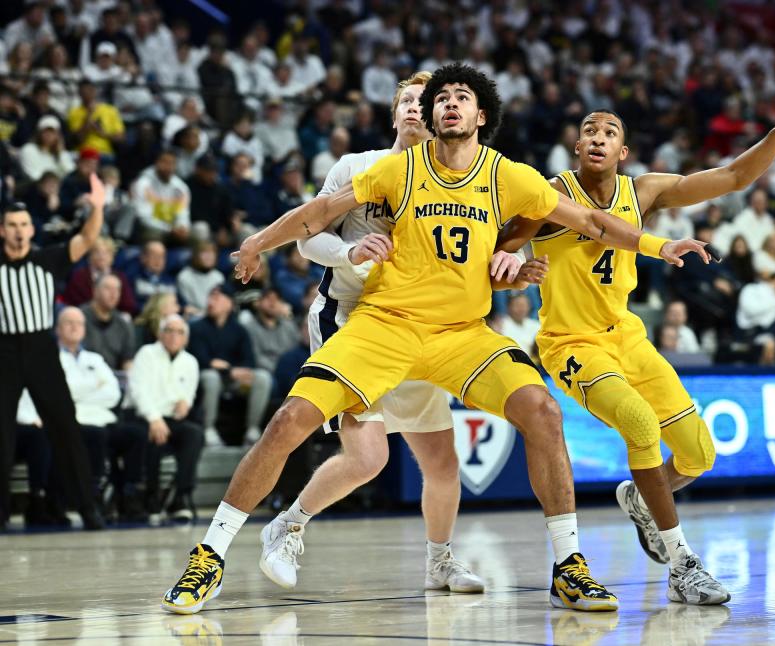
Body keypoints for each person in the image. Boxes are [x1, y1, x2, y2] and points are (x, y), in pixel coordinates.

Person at [162, 63, 708, 614]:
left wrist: (658, 246)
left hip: (462, 334)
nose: (449, 104)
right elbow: (321, 213)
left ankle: (569, 567)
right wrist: (258, 241)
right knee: (290, 420)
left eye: (461, 97)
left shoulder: (508, 175)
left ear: (481, 115)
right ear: (427, 114)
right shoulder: (397, 169)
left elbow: (592, 222)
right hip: (386, 323)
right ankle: (209, 555)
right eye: (441, 97)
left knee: (541, 411)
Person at [497, 69, 775, 605]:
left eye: (609, 130)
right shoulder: (550, 195)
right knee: (636, 422)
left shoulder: (642, 191)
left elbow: (732, 177)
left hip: (627, 336)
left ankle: (641, 499)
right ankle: (682, 564)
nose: (598, 136)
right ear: (577, 145)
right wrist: (509, 264)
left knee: (699, 454)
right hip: (570, 343)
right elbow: (500, 245)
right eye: (589, 129)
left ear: (623, 150)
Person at [261, 72, 504, 595]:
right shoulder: (357, 167)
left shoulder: (452, 178)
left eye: (426, 101)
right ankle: (287, 526)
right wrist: (348, 252)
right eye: (408, 102)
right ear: (394, 115)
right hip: (350, 313)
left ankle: (440, 561)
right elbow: (307, 239)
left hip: (417, 324)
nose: (417, 108)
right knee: (369, 458)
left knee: (442, 461)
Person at [0, 175, 107, 532]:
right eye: (12, 225)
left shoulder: (47, 259)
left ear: (32, 229)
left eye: (24, 225)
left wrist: (98, 207)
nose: (18, 231)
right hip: (4, 351)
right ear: (3, 230)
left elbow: (88, 239)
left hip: (41, 349)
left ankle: (89, 508)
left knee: (65, 427)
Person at [51, 307, 148, 521]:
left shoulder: (95, 358)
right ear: (58, 329)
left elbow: (113, 394)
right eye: (69, 322)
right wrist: (94, 385)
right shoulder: (51, 359)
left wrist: (81, 390)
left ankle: (129, 493)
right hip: (76, 422)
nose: (75, 327)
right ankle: (96, 494)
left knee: (137, 434)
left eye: (79, 323)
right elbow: (62, 395)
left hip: (104, 418)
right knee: (96, 436)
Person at [128, 313, 203, 522]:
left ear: (185, 338)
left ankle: (180, 497)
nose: (173, 335)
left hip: (172, 419)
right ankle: (150, 497)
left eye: (179, 332)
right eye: (169, 330)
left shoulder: (190, 362)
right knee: (151, 437)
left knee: (194, 434)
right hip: (144, 416)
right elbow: (137, 391)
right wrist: (153, 418)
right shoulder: (147, 354)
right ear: (160, 334)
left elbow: (189, 395)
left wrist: (185, 404)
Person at [188, 285, 271, 447]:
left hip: (233, 381)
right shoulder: (197, 327)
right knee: (210, 376)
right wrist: (229, 370)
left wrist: (233, 370)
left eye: (217, 298)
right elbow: (201, 360)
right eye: (210, 297)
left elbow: (250, 361)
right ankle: (208, 429)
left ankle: (252, 431)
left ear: (229, 304)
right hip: (208, 379)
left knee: (262, 377)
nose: (211, 301)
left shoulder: (239, 330)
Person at [131, 150, 192, 246]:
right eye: (164, 162)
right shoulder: (142, 184)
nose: (168, 167)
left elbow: (183, 212)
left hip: (174, 228)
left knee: (198, 234)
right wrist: (169, 229)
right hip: (151, 227)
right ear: (156, 163)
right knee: (153, 234)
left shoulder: (181, 187)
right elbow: (143, 217)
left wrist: (182, 227)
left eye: (172, 163)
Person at [62, 236, 137, 314]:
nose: (102, 256)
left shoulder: (120, 277)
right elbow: (71, 302)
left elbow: (128, 305)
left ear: (112, 257)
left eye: (106, 253)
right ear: (90, 256)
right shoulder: (79, 276)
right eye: (97, 252)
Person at [80, 274, 137, 371]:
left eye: (117, 290)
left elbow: (128, 360)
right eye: (108, 288)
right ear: (95, 291)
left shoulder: (124, 324)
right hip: (84, 375)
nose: (113, 294)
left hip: (114, 379)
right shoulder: (79, 318)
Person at [242, 287, 299, 374]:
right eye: (268, 298)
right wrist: (279, 370)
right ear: (258, 303)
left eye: (277, 299)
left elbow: (297, 351)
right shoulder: (249, 328)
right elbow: (256, 357)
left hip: (290, 371)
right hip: (265, 372)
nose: (273, 302)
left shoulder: (289, 326)